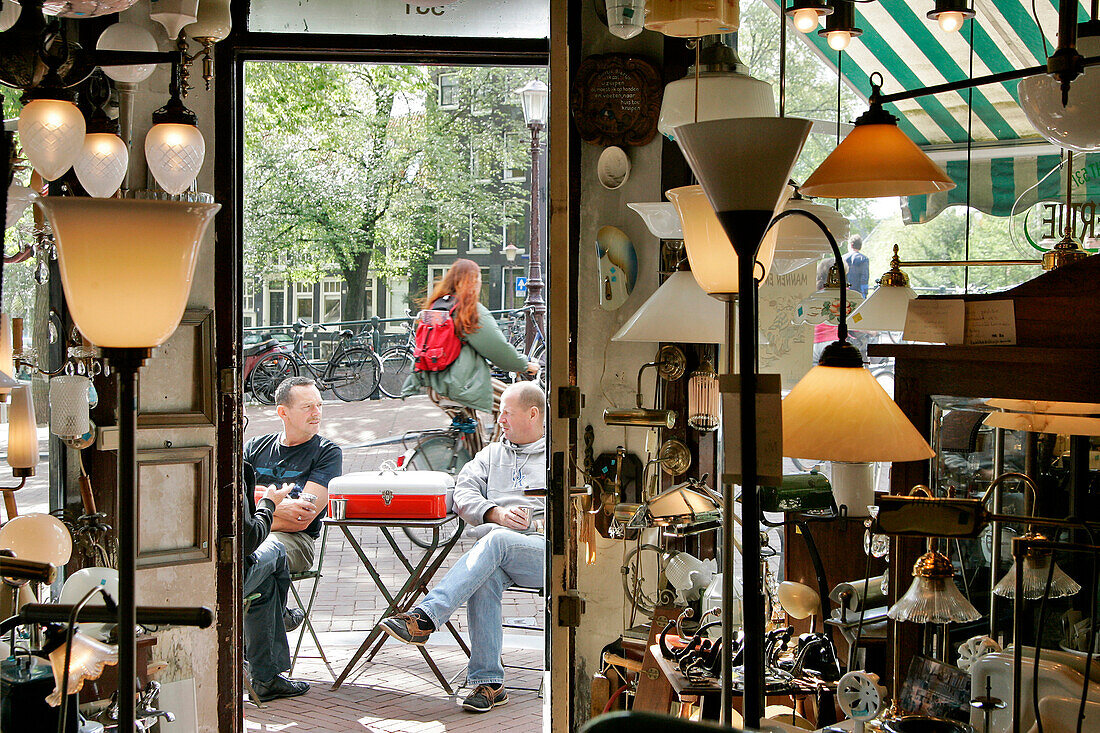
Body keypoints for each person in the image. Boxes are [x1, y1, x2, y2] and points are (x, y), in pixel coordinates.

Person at [380, 381, 546, 713]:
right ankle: (489, 683)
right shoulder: (491, 454)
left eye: (507, 414)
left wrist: (536, 523)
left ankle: (425, 617)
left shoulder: (556, 455)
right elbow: (462, 492)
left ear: (533, 414)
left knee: (494, 540)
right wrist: (494, 512)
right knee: (484, 576)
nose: (500, 420)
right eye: (500, 414)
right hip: (495, 554)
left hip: (543, 554)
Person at [402, 258, 539, 414]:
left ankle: (462, 439)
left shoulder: (437, 306)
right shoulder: (469, 311)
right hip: (458, 386)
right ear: (473, 282)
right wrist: (525, 365)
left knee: (470, 428)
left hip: (432, 383)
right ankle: (498, 438)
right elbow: (498, 350)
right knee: (513, 405)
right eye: (479, 278)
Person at [245, 376, 342, 577]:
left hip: (296, 540)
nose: (317, 413)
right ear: (283, 412)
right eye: (307, 407)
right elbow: (225, 501)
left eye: (319, 405)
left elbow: (301, 518)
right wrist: (277, 506)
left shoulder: (327, 453)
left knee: (253, 555)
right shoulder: (254, 447)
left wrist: (252, 513)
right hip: (250, 534)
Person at [241, 462, 310, 701]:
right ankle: (282, 615)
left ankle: (266, 679)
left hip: (224, 570)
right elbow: (250, 539)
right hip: (229, 577)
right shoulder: (230, 468)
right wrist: (269, 504)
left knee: (266, 586)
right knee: (276, 548)